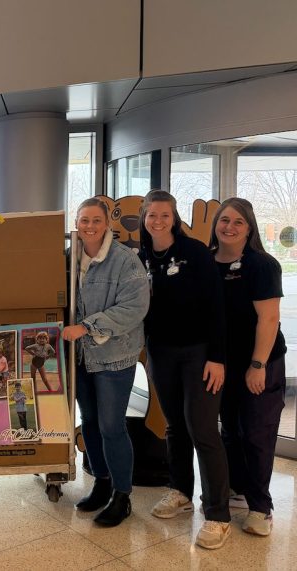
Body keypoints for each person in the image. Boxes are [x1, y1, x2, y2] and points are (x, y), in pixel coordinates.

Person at [138, 190, 231, 549]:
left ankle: (218, 514)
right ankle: (180, 491)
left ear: (174, 218)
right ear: (144, 218)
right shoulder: (142, 257)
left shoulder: (195, 253)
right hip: (161, 353)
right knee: (174, 426)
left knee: (203, 429)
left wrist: (217, 358)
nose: (158, 221)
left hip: (199, 353)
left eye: (165, 215)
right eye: (152, 215)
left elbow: (216, 306)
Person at [61, 197, 149, 527]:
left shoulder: (125, 260)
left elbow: (135, 308)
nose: (90, 226)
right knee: (90, 422)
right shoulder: (69, 257)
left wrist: (87, 326)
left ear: (107, 223)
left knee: (111, 426)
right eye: (84, 220)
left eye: (96, 220)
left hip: (114, 357)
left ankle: (122, 496)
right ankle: (102, 482)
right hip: (81, 356)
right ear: (76, 223)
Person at [210, 197, 287, 538]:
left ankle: (260, 507)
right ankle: (237, 487)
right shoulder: (207, 262)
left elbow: (269, 319)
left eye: (238, 222)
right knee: (230, 429)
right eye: (224, 220)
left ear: (249, 228)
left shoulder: (262, 265)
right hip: (222, 364)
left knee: (257, 432)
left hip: (260, 361)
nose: (229, 227)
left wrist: (257, 365)